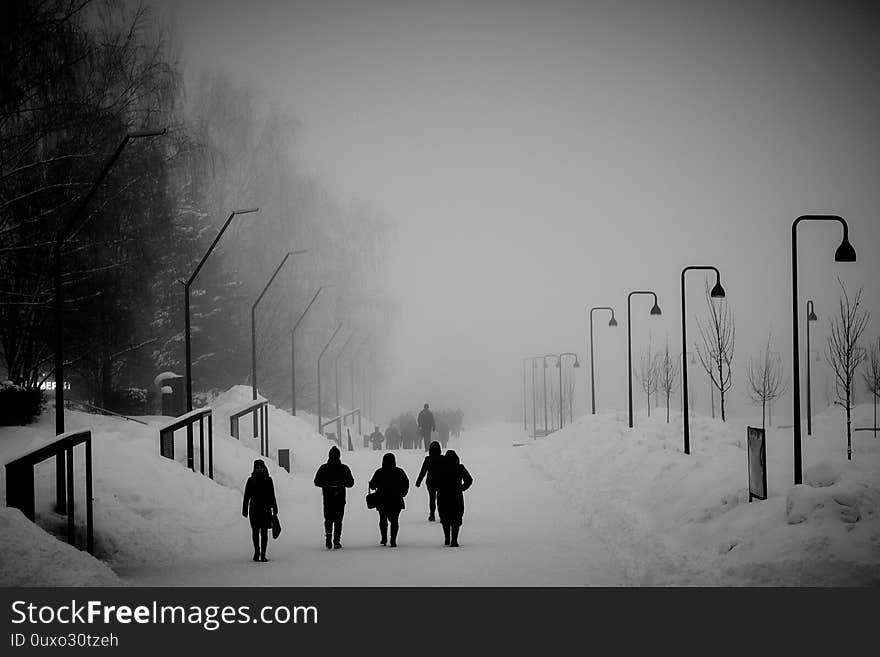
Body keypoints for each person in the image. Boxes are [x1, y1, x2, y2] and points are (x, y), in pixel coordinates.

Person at [313, 446, 355, 549]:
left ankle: (328, 536)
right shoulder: (344, 468)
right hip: (340, 497)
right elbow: (351, 483)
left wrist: (326, 485)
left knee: (328, 518)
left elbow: (316, 482)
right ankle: (336, 540)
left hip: (327, 497)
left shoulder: (323, 468)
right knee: (338, 519)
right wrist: (341, 484)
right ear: (339, 456)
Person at [368, 452, 409, 547]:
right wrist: (403, 493)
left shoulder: (379, 472)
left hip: (382, 499)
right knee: (394, 520)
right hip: (396, 500)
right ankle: (393, 540)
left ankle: (384, 537)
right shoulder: (400, 472)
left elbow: (373, 485)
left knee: (383, 519)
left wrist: (372, 484)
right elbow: (406, 483)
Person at [242, 459, 278, 562]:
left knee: (264, 532)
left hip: (265, 509)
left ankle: (263, 554)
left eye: (260, 467)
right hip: (254, 509)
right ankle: (256, 552)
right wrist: (244, 509)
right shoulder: (250, 480)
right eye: (257, 467)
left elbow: (272, 495)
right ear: (254, 468)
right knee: (255, 532)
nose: (259, 469)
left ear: (264, 468)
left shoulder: (268, 480)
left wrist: (275, 507)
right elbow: (246, 496)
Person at [436, 450, 473, 547]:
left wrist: (439, 488)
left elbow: (435, 481)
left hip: (443, 496)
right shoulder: (459, 468)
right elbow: (469, 480)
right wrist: (462, 488)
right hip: (456, 496)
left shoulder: (440, 468)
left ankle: (447, 537)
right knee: (456, 518)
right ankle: (454, 540)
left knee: (445, 518)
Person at [415, 440, 444, 521]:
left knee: (432, 498)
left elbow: (423, 471)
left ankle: (432, 515)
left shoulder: (428, 459)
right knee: (441, 499)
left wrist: (418, 481)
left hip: (430, 482)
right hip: (441, 481)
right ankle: (442, 516)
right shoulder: (443, 458)